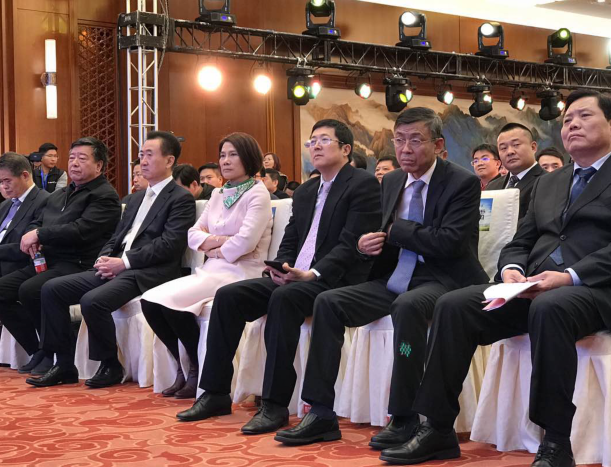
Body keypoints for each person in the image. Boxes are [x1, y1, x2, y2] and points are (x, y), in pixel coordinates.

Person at [380, 90, 611, 467]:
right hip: (535, 286)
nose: (572, 125)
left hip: (603, 291)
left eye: (583, 117)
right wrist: (512, 270)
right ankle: (438, 427)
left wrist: (568, 277)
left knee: (551, 307)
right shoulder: (551, 182)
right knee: (454, 305)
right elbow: (521, 241)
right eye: (567, 119)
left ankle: (555, 441)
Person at [274, 107, 488, 447]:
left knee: (408, 306)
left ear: (438, 145)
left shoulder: (461, 182)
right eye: (399, 140)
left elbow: (450, 242)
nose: (405, 149)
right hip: (396, 276)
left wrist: (397, 231)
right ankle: (320, 412)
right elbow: (384, 236)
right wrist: (365, 245)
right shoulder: (391, 180)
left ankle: (403, 416)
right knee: (327, 302)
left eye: (415, 140)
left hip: (443, 278)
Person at [175, 119, 381, 429]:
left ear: (346, 149)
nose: (316, 146)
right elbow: (291, 237)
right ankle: (215, 392)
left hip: (333, 280)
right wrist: (280, 266)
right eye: (312, 141)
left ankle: (274, 404)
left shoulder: (362, 184)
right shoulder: (307, 190)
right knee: (229, 296)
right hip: (296, 276)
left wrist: (313, 273)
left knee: (285, 299)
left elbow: (351, 243)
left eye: (325, 140)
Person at [28, 131, 196, 388]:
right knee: (52, 289)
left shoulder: (180, 198)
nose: (143, 161)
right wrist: (104, 258)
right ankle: (64, 364)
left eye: (149, 155)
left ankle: (110, 365)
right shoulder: (135, 198)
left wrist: (124, 263)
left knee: (93, 301)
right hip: (117, 266)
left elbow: (169, 245)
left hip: (147, 271)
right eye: (141, 155)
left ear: (169, 160)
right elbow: (116, 237)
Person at [140, 133, 273, 399]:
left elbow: (245, 243)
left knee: (170, 303)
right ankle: (187, 365)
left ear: (249, 158)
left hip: (242, 272)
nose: (225, 161)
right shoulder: (219, 193)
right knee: (150, 301)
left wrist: (213, 245)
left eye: (233, 154)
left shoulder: (258, 193)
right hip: (212, 269)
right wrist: (223, 242)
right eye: (222, 155)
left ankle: (195, 369)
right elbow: (192, 235)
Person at [0, 137, 121, 376]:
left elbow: (81, 230)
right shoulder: (60, 194)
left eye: (82, 158)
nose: (74, 163)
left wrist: (40, 234)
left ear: (99, 165)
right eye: (72, 157)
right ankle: (38, 349)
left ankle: (58, 356)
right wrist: (33, 234)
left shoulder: (104, 195)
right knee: (3, 290)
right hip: (49, 260)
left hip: (79, 262)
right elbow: (38, 221)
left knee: (34, 289)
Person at [0, 153, 49, 277]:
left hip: (14, 268)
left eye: (7, 181)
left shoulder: (45, 201)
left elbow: (28, 246)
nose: (4, 186)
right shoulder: (5, 204)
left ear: (25, 176)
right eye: (1, 181)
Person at [485, 123, 545, 221]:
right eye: (503, 148)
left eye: (516, 145)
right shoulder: (492, 186)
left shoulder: (548, 182)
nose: (510, 152)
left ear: (533, 147)